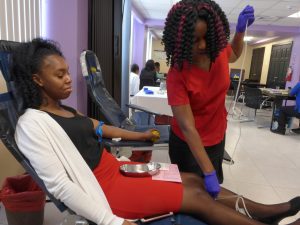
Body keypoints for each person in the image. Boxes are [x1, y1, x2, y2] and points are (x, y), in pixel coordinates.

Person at [12, 38, 300, 225]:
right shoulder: (31, 125)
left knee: (192, 179)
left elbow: (98, 127)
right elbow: (61, 186)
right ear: (37, 79)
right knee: (196, 198)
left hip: (119, 170)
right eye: (59, 75)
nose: (68, 80)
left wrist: (139, 136)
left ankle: (262, 211)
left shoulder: (65, 110)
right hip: (105, 190)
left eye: (67, 72)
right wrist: (110, 221)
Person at [162, 0, 254, 195]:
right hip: (188, 145)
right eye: (195, 40)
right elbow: (188, 127)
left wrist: (240, 32)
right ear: (183, 40)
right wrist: (208, 171)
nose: (203, 45)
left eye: (206, 38)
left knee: (213, 195)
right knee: (194, 197)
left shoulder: (217, 52)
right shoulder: (177, 74)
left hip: (217, 136)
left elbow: (235, 53)